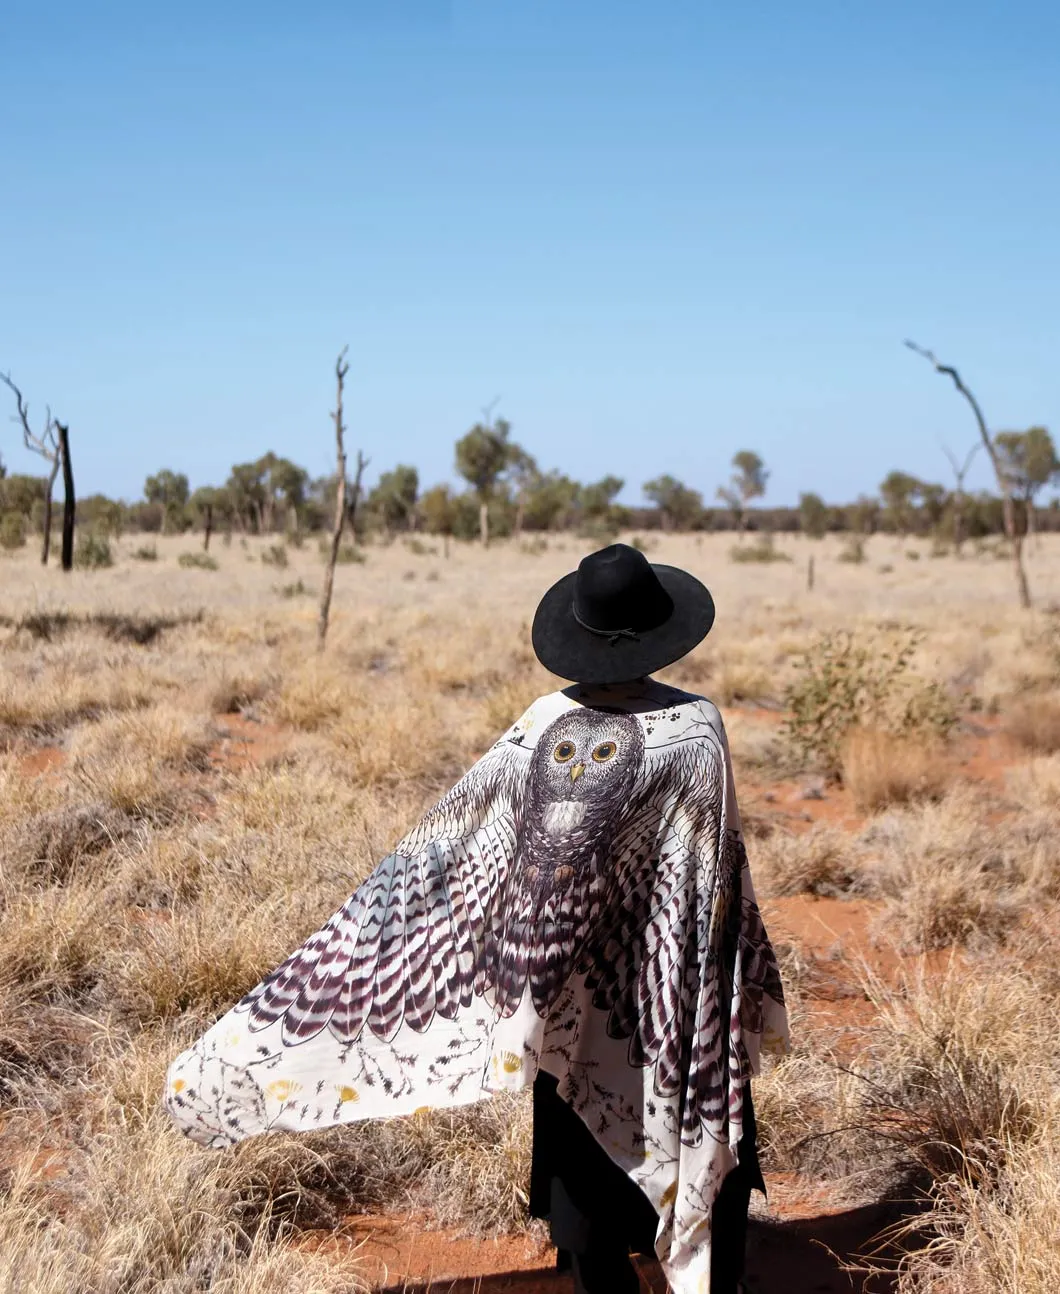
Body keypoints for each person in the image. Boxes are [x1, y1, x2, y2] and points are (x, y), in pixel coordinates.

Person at [165, 542, 789, 1294]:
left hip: (559, 995)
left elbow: (449, 844)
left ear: (578, 631)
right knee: (650, 1139)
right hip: (667, 995)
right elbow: (713, 878)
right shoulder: (696, 727)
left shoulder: (541, 721)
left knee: (582, 1166)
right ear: (661, 629)